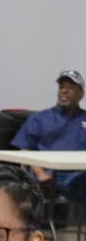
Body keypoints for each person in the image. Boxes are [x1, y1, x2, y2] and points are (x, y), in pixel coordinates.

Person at [10, 69, 86, 205]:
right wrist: (39, 172)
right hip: (46, 174)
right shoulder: (40, 118)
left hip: (79, 176)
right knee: (20, 185)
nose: (64, 90)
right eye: (62, 87)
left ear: (81, 94)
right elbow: (24, 150)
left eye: (71, 87)